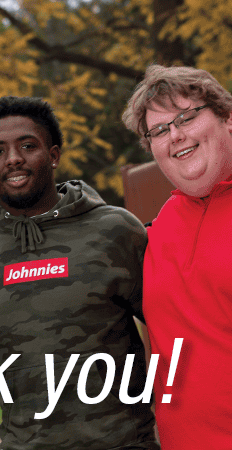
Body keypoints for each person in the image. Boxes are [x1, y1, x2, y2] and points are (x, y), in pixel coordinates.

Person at [0, 96, 159, 449]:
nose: (14, 158)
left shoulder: (115, 230)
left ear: (53, 154)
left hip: (124, 442)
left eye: (28, 146)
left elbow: (172, 327)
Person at [122, 65, 232, 449]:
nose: (176, 135)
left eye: (187, 117)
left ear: (227, 117)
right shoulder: (156, 229)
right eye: (160, 130)